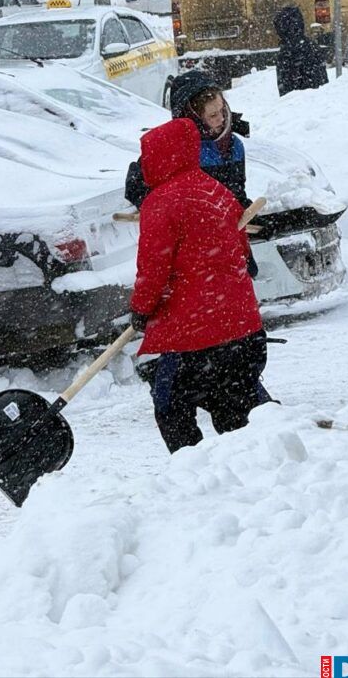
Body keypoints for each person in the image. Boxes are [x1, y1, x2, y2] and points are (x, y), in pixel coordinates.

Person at [128, 117, 272, 453]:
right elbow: (240, 248)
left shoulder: (160, 203)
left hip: (193, 337)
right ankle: (264, 467)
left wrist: (141, 308)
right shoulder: (216, 191)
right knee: (239, 413)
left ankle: (191, 476)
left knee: (171, 407)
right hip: (242, 330)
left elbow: (152, 269)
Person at [125, 70, 251, 210]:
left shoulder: (233, 146)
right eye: (213, 115)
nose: (222, 118)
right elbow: (135, 185)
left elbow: (236, 196)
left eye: (223, 110)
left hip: (221, 227)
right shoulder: (171, 147)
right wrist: (168, 209)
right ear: (195, 118)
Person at [274, 5, 329, 96]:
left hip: (297, 104)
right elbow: (323, 81)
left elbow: (285, 91)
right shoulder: (312, 46)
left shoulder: (285, 54)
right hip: (319, 102)